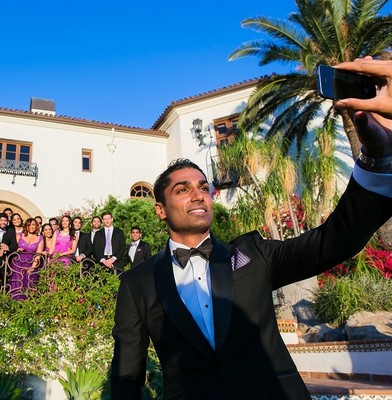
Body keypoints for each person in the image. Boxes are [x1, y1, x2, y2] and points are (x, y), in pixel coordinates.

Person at [110, 93, 392, 398]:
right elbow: (128, 374)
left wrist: (377, 158)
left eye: (204, 187)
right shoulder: (137, 282)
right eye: (183, 189)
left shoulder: (252, 255)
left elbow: (335, 240)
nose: (198, 194)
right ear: (160, 209)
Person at [8, 218, 45, 300]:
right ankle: (15, 304)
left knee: (29, 284)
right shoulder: (19, 236)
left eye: (33, 225)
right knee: (17, 284)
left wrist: (32, 267)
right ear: (26, 226)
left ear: (36, 226)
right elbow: (13, 248)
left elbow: (38, 254)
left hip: (31, 263)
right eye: (29, 225)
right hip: (18, 264)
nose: (31, 227)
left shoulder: (40, 238)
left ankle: (28, 306)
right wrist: (17, 250)